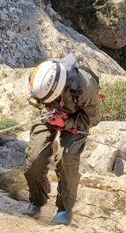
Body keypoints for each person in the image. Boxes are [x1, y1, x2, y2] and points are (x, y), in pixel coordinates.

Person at [23, 53, 101, 224]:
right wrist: (48, 111)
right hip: (49, 112)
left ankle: (64, 208)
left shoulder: (85, 87)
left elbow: (93, 118)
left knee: (66, 160)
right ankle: (36, 200)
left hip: (77, 119)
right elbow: (40, 101)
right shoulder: (39, 77)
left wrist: (66, 123)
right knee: (35, 157)